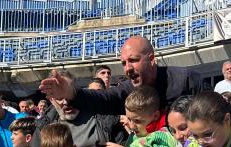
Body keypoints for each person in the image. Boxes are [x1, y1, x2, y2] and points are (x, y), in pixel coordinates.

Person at [39, 35, 202, 116]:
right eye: (124, 63)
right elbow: (103, 100)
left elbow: (214, 112)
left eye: (133, 60)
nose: (128, 69)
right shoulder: (126, 90)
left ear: (152, 59)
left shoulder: (186, 80)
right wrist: (71, 93)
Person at [24, 70, 127, 147]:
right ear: (51, 99)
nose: (66, 102)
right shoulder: (44, 125)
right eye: (60, 97)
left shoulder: (103, 116)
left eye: (68, 95)